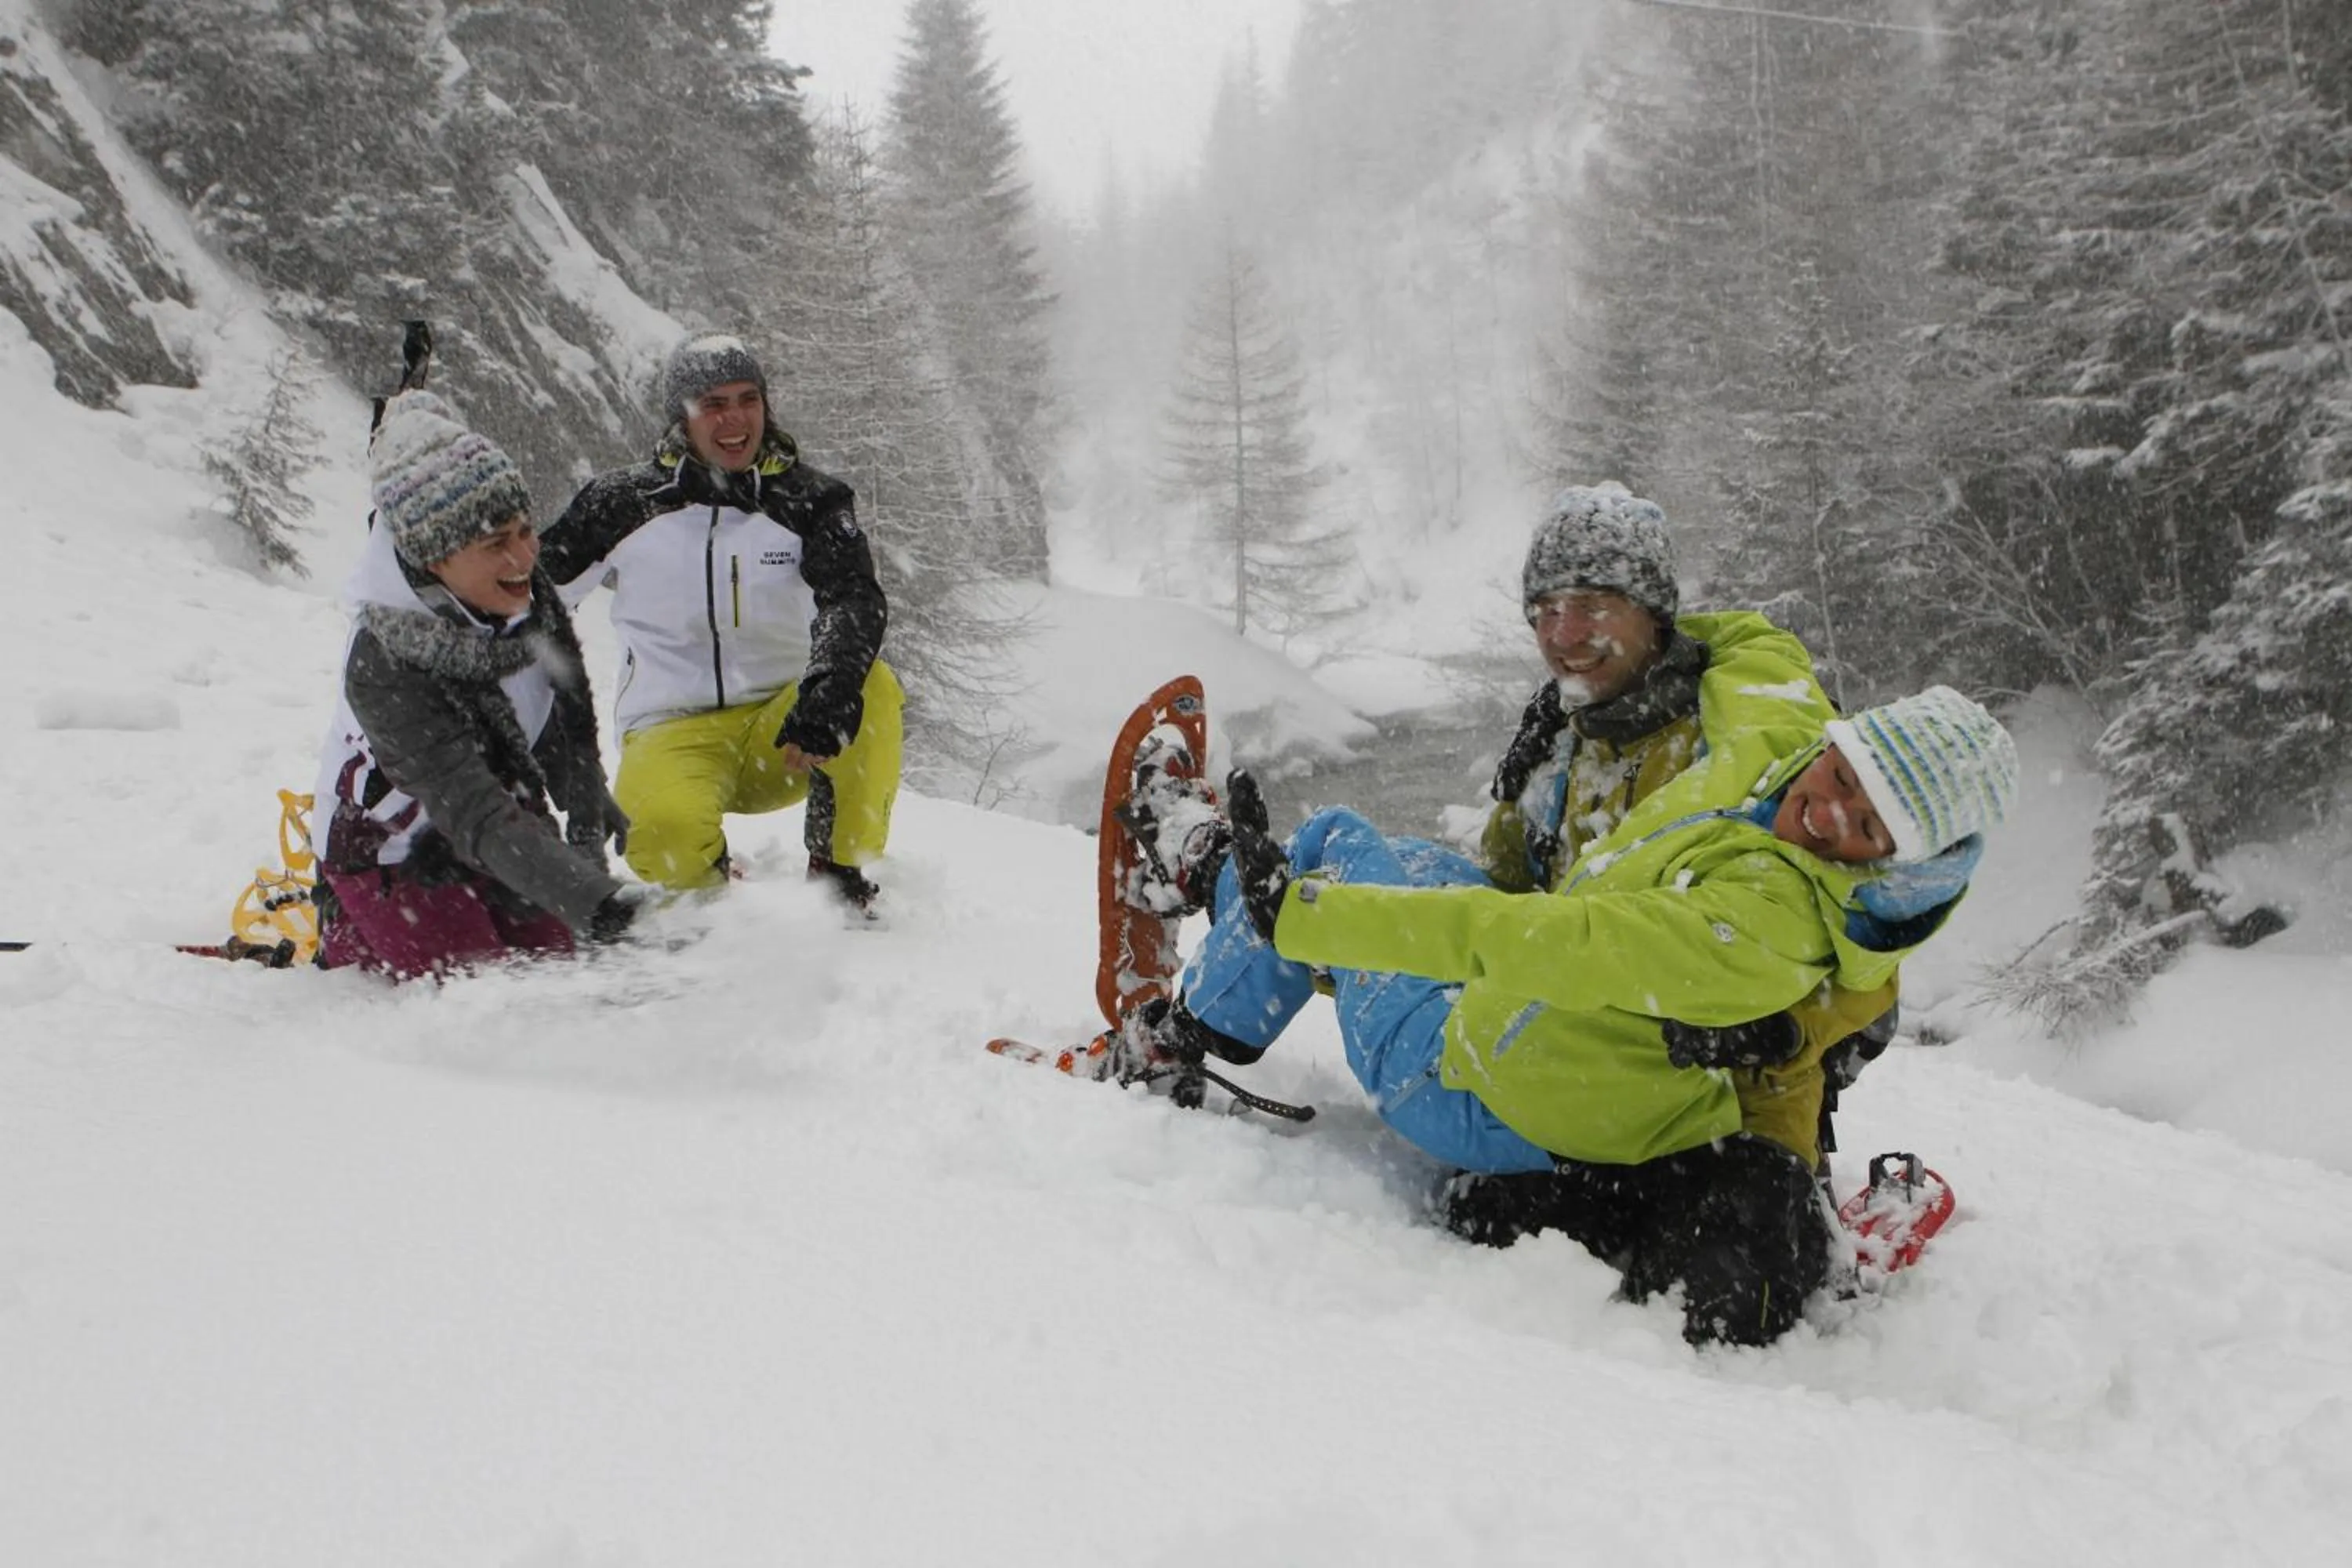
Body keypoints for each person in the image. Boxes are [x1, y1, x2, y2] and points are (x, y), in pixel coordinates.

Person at [1124, 666, 2018, 1347]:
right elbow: (1759, 651)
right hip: (1519, 1031)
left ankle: (1186, 1015)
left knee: (1332, 849)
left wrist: (1311, 917)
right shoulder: (1779, 759)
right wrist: (1640, 646)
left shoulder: (1763, 922)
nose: (1825, 810)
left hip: (1455, 1076)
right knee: (1409, 862)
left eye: (1866, 825)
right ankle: (1230, 892)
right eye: (1844, 771)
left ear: (1896, 866)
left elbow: (1556, 943)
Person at [1129, 483, 1896, 1171]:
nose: (1562, 634)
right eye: (1545, 610)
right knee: (1396, 864)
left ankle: (1188, 986)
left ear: (1655, 610)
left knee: (1339, 843)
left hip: (1568, 1069)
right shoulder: (1580, 733)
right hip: (1544, 1012)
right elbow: (1507, 897)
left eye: (1593, 604)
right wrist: (1519, 793)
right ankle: (1217, 873)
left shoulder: (1728, 746)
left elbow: (1852, 932)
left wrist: (1779, 1034)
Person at [539, 334, 901, 908]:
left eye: (747, 399)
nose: (734, 419)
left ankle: (838, 875)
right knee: (659, 839)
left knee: (873, 687)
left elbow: (853, 596)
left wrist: (826, 689)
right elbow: (529, 592)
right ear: (681, 417)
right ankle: (711, 901)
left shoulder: (811, 501)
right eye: (713, 404)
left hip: (785, 734)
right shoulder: (621, 504)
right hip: (671, 730)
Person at [314, 391, 645, 980]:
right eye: (496, 544)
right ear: (432, 558)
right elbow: (472, 811)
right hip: (395, 850)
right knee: (493, 987)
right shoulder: (385, 662)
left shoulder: (525, 596)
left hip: (502, 824)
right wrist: (595, 900)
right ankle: (346, 921)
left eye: (524, 530)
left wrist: (584, 798)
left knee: (558, 970)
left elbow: (560, 715)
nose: (523, 557)